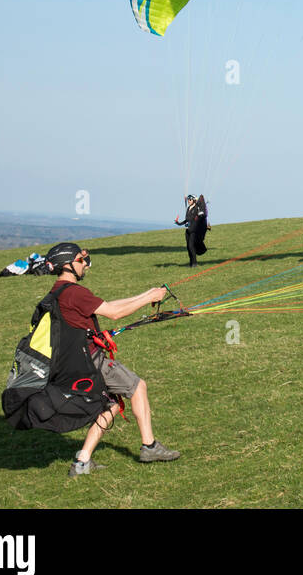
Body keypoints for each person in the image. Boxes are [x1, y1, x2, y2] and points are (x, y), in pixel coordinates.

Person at [39, 242, 181, 476]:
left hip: (72, 363)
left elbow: (109, 306)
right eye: (81, 260)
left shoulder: (58, 291)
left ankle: (82, 462)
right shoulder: (74, 292)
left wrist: (149, 294)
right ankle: (150, 446)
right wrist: (147, 299)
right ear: (68, 264)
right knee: (137, 387)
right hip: (90, 361)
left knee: (111, 405)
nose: (85, 265)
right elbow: (114, 312)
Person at [175, 194, 209, 266]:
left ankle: (194, 263)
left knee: (191, 246)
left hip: (194, 230)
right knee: (188, 247)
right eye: (188, 200)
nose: (188, 201)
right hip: (187, 231)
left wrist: (201, 215)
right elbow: (187, 220)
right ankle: (191, 263)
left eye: (190, 200)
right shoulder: (188, 208)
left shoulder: (197, 208)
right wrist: (179, 223)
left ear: (193, 200)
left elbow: (201, 216)